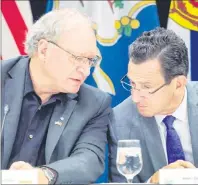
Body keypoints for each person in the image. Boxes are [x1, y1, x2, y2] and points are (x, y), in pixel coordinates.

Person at [1, 8, 112, 184]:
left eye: (90, 61)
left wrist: (44, 175)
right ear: (44, 50)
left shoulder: (94, 103)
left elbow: (89, 160)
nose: (85, 71)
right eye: (77, 58)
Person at [108, 27, 198, 184]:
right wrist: (152, 183)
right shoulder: (119, 121)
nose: (135, 98)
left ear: (178, 84)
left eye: (147, 87)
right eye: (132, 83)